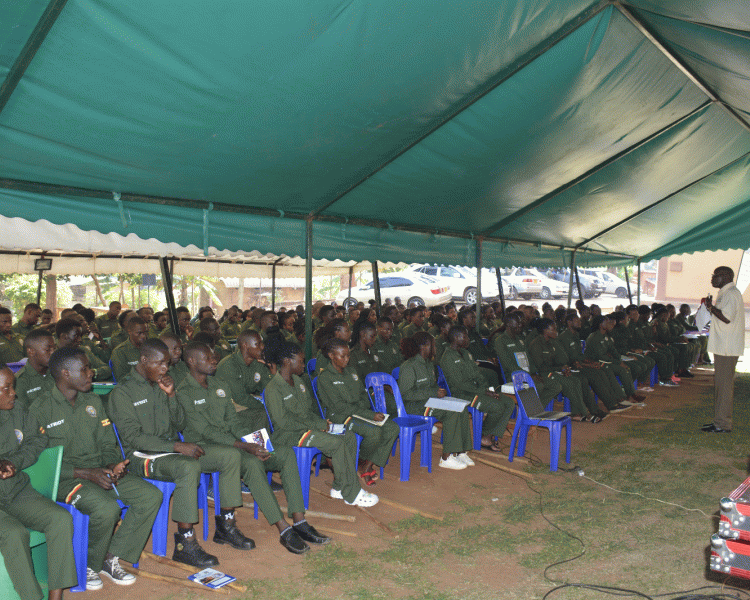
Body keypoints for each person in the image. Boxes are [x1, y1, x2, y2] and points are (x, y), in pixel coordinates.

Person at [109, 339, 252, 567]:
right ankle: (184, 543)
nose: (166, 369)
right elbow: (133, 439)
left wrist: (172, 395)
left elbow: (180, 423)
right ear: (144, 361)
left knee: (230, 455)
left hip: (170, 451)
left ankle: (226, 525)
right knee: (188, 466)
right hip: (140, 457)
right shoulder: (123, 392)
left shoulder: (161, 384)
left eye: (167, 363)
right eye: (160, 364)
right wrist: (176, 447)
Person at [178, 341, 329, 554]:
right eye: (208, 357)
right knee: (251, 463)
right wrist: (245, 446)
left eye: (214, 356)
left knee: (284, 453)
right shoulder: (184, 391)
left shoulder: (219, 385)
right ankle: (282, 528)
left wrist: (255, 442)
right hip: (205, 449)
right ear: (191, 361)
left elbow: (234, 422)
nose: (214, 360)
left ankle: (299, 520)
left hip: (236, 444)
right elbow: (205, 431)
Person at [30, 348, 162, 589]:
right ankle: (91, 564)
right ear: (65, 374)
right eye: (84, 369)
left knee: (150, 496)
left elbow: (107, 443)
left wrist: (112, 464)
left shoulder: (92, 402)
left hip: (98, 471)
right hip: (65, 478)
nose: (91, 373)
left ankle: (110, 557)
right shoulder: (39, 409)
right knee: (106, 508)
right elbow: (39, 462)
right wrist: (85, 473)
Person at [263, 337, 377, 507]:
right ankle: (352, 493)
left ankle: (339, 487)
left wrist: (325, 424)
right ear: (287, 361)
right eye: (300, 361)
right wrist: (318, 425)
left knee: (348, 436)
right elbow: (284, 423)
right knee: (335, 443)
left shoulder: (299, 382)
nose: (303, 365)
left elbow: (309, 411)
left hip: (308, 428)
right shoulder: (274, 388)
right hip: (289, 435)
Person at [0, 364, 78, 600]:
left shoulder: (18, 410)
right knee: (14, 533)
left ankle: (56, 596)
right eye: (6, 388)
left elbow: (36, 440)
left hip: (16, 490)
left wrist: (13, 462)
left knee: (60, 519)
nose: (13, 393)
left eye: (12, 386)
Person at [317, 339, 400, 487]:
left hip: (359, 412)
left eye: (348, 355)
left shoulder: (352, 371)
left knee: (392, 428)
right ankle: (360, 462)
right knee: (374, 433)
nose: (347, 359)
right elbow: (339, 407)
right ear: (331, 355)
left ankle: (366, 465)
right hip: (340, 417)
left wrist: (365, 411)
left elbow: (364, 395)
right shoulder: (325, 377)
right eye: (342, 356)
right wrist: (368, 414)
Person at [398, 333, 473, 470]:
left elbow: (430, 386)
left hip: (428, 402)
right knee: (451, 412)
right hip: (413, 406)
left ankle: (461, 452)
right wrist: (433, 393)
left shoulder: (428, 364)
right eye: (434, 345)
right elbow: (405, 394)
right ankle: (446, 458)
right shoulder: (409, 366)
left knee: (461, 408)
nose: (436, 348)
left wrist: (438, 391)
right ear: (425, 346)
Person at [439, 326, 515, 452]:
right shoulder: (448, 357)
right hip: (462, 394)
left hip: (476, 390)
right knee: (497, 407)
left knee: (508, 403)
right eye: (465, 336)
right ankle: (483, 435)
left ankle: (487, 435)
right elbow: (460, 384)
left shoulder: (465, 353)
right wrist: (483, 392)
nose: (468, 339)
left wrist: (488, 389)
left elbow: (478, 374)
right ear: (457, 338)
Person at [528, 318, 604, 422]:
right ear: (545, 331)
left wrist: (564, 368)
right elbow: (541, 367)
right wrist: (560, 368)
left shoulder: (551, 342)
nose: (556, 332)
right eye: (553, 329)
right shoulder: (536, 344)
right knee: (568, 383)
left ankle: (577, 412)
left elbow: (560, 360)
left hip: (553, 372)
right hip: (543, 374)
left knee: (575, 380)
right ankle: (587, 414)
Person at [702, 266, 745, 433]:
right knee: (721, 386)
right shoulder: (726, 293)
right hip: (723, 346)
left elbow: (726, 318)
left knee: (724, 387)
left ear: (726, 276)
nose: (712, 278)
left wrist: (711, 308)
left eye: (716, 275)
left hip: (727, 348)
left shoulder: (731, 294)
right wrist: (711, 307)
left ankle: (723, 424)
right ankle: (719, 421)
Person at [215, 330, 273, 433]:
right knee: (263, 414)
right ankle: (259, 445)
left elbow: (268, 388)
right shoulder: (229, 365)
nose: (262, 347)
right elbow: (240, 398)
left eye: (262, 343)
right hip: (229, 405)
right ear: (245, 345)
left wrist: (272, 372)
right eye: (258, 344)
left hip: (246, 400)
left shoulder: (258, 363)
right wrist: (266, 406)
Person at [584, 315, 645, 407]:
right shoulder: (594, 337)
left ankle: (631, 394)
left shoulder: (606, 336)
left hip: (606, 361)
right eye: (607, 322)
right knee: (617, 370)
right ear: (601, 325)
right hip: (595, 362)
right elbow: (600, 357)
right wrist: (618, 362)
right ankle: (621, 397)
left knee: (625, 368)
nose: (610, 324)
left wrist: (620, 360)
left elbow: (613, 351)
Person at [14, 329, 56, 409]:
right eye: (48, 350)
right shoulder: (20, 381)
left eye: (54, 348)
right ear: (31, 351)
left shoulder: (57, 372)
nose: (53, 353)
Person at [110, 317, 149, 382]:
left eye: (145, 332)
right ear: (129, 332)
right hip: (133, 387)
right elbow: (121, 379)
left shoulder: (151, 348)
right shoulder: (120, 352)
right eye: (139, 333)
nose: (143, 336)